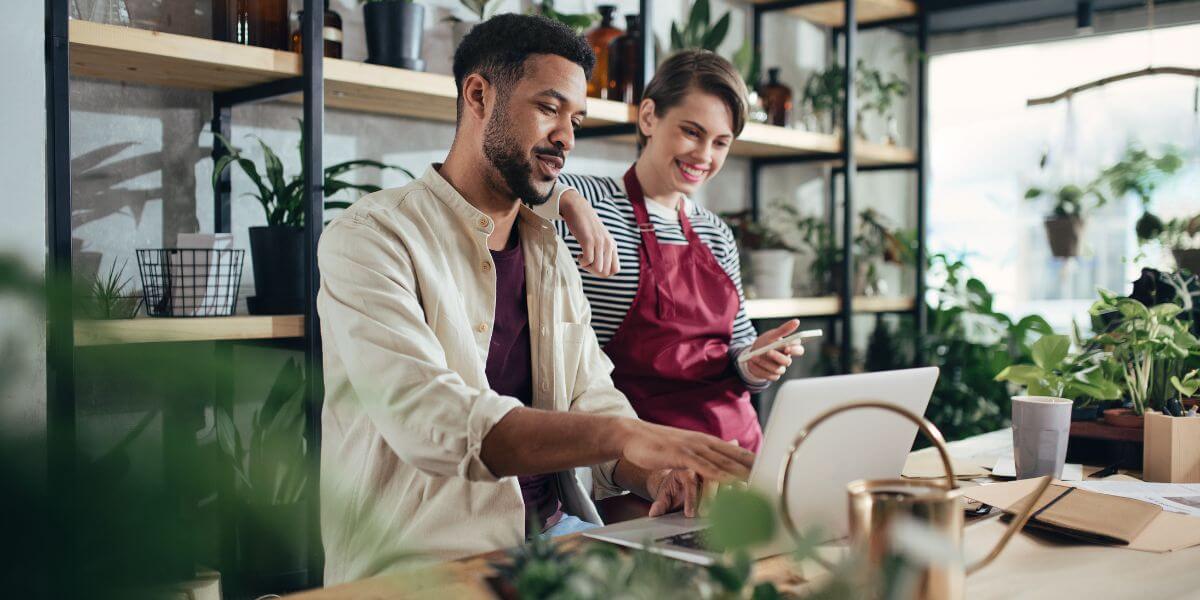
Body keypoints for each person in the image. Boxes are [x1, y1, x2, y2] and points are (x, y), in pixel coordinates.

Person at [316, 15, 753, 585]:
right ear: (479, 95)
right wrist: (629, 435)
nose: (567, 138)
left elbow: (592, 397)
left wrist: (655, 473)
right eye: (549, 109)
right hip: (423, 569)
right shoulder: (371, 238)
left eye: (575, 119)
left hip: (556, 543)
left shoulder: (549, 250)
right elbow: (430, 419)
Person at [552, 50, 805, 454]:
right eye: (692, 132)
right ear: (649, 116)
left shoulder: (716, 232)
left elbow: (737, 353)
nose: (704, 156)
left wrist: (756, 362)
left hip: (737, 447)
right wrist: (565, 198)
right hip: (641, 457)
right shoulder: (588, 201)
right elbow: (509, 188)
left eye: (721, 142)